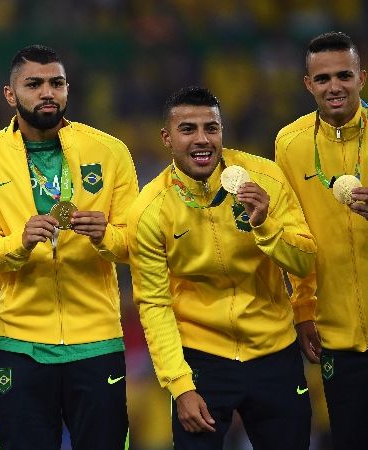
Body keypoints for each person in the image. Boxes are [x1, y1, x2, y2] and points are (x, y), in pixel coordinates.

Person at [0, 45, 137, 450]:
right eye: (34, 84)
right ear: (10, 94)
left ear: (67, 89)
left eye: (56, 83)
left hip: (97, 341)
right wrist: (20, 243)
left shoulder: (109, 151)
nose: (47, 92)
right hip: (21, 343)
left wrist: (106, 236)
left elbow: (137, 243)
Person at [127, 86, 316, 449]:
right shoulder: (149, 209)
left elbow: (305, 260)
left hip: (274, 351)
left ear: (222, 131)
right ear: (167, 137)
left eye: (211, 128)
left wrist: (265, 226)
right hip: (202, 358)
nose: (202, 139)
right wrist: (180, 386)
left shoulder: (267, 179)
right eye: (188, 129)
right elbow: (154, 303)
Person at [275, 31, 368, 449]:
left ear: (362, 78)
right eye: (324, 78)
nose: (335, 86)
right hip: (335, 334)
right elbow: (295, 233)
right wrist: (303, 309)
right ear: (307, 84)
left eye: (344, 76)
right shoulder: (289, 145)